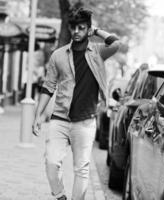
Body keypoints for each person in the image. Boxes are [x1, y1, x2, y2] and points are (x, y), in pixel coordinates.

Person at [32, 7, 121, 200]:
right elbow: (48, 87)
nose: (77, 32)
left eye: (82, 28)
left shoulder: (98, 52)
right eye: (74, 28)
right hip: (60, 119)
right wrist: (38, 115)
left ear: (87, 29)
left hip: (85, 122)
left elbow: (115, 43)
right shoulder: (58, 55)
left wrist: (96, 30)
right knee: (51, 162)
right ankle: (60, 196)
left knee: (81, 169)